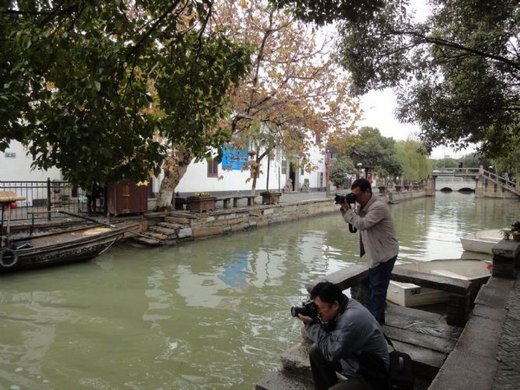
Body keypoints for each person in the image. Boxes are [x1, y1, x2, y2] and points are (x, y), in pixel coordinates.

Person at [297, 282, 389, 390]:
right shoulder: (343, 306)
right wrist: (315, 318)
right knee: (316, 351)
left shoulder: (351, 318)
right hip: (354, 363)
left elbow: (331, 353)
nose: (317, 312)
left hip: (372, 375)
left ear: (335, 305)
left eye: (319, 308)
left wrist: (312, 325)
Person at [339, 178, 399, 324]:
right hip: (376, 255)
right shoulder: (364, 206)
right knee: (376, 290)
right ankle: (377, 321)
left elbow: (362, 224)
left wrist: (349, 212)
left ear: (367, 192)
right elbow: (354, 222)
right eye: (353, 195)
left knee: (377, 291)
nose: (356, 198)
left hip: (384, 255)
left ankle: (375, 326)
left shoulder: (378, 207)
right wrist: (346, 209)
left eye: (358, 194)